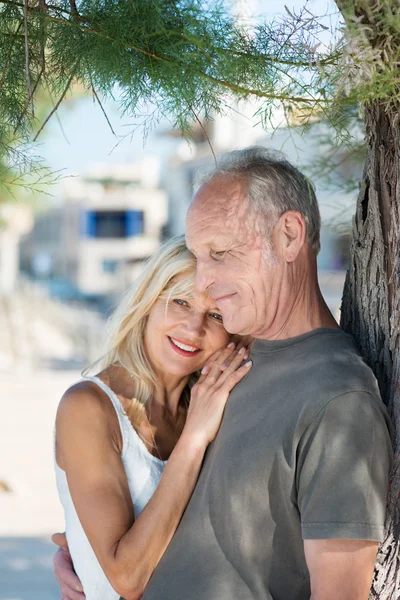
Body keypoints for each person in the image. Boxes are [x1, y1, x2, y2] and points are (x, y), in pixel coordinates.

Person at [55, 147, 393, 600]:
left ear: (289, 236)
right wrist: (82, 554)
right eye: (199, 256)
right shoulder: (229, 362)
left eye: (220, 253)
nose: (202, 282)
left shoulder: (338, 399)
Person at [53, 235, 252, 600]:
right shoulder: (88, 407)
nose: (194, 328)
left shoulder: (218, 402)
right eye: (180, 302)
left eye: (216, 315)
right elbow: (128, 579)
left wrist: (75, 545)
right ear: (147, 301)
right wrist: (194, 438)